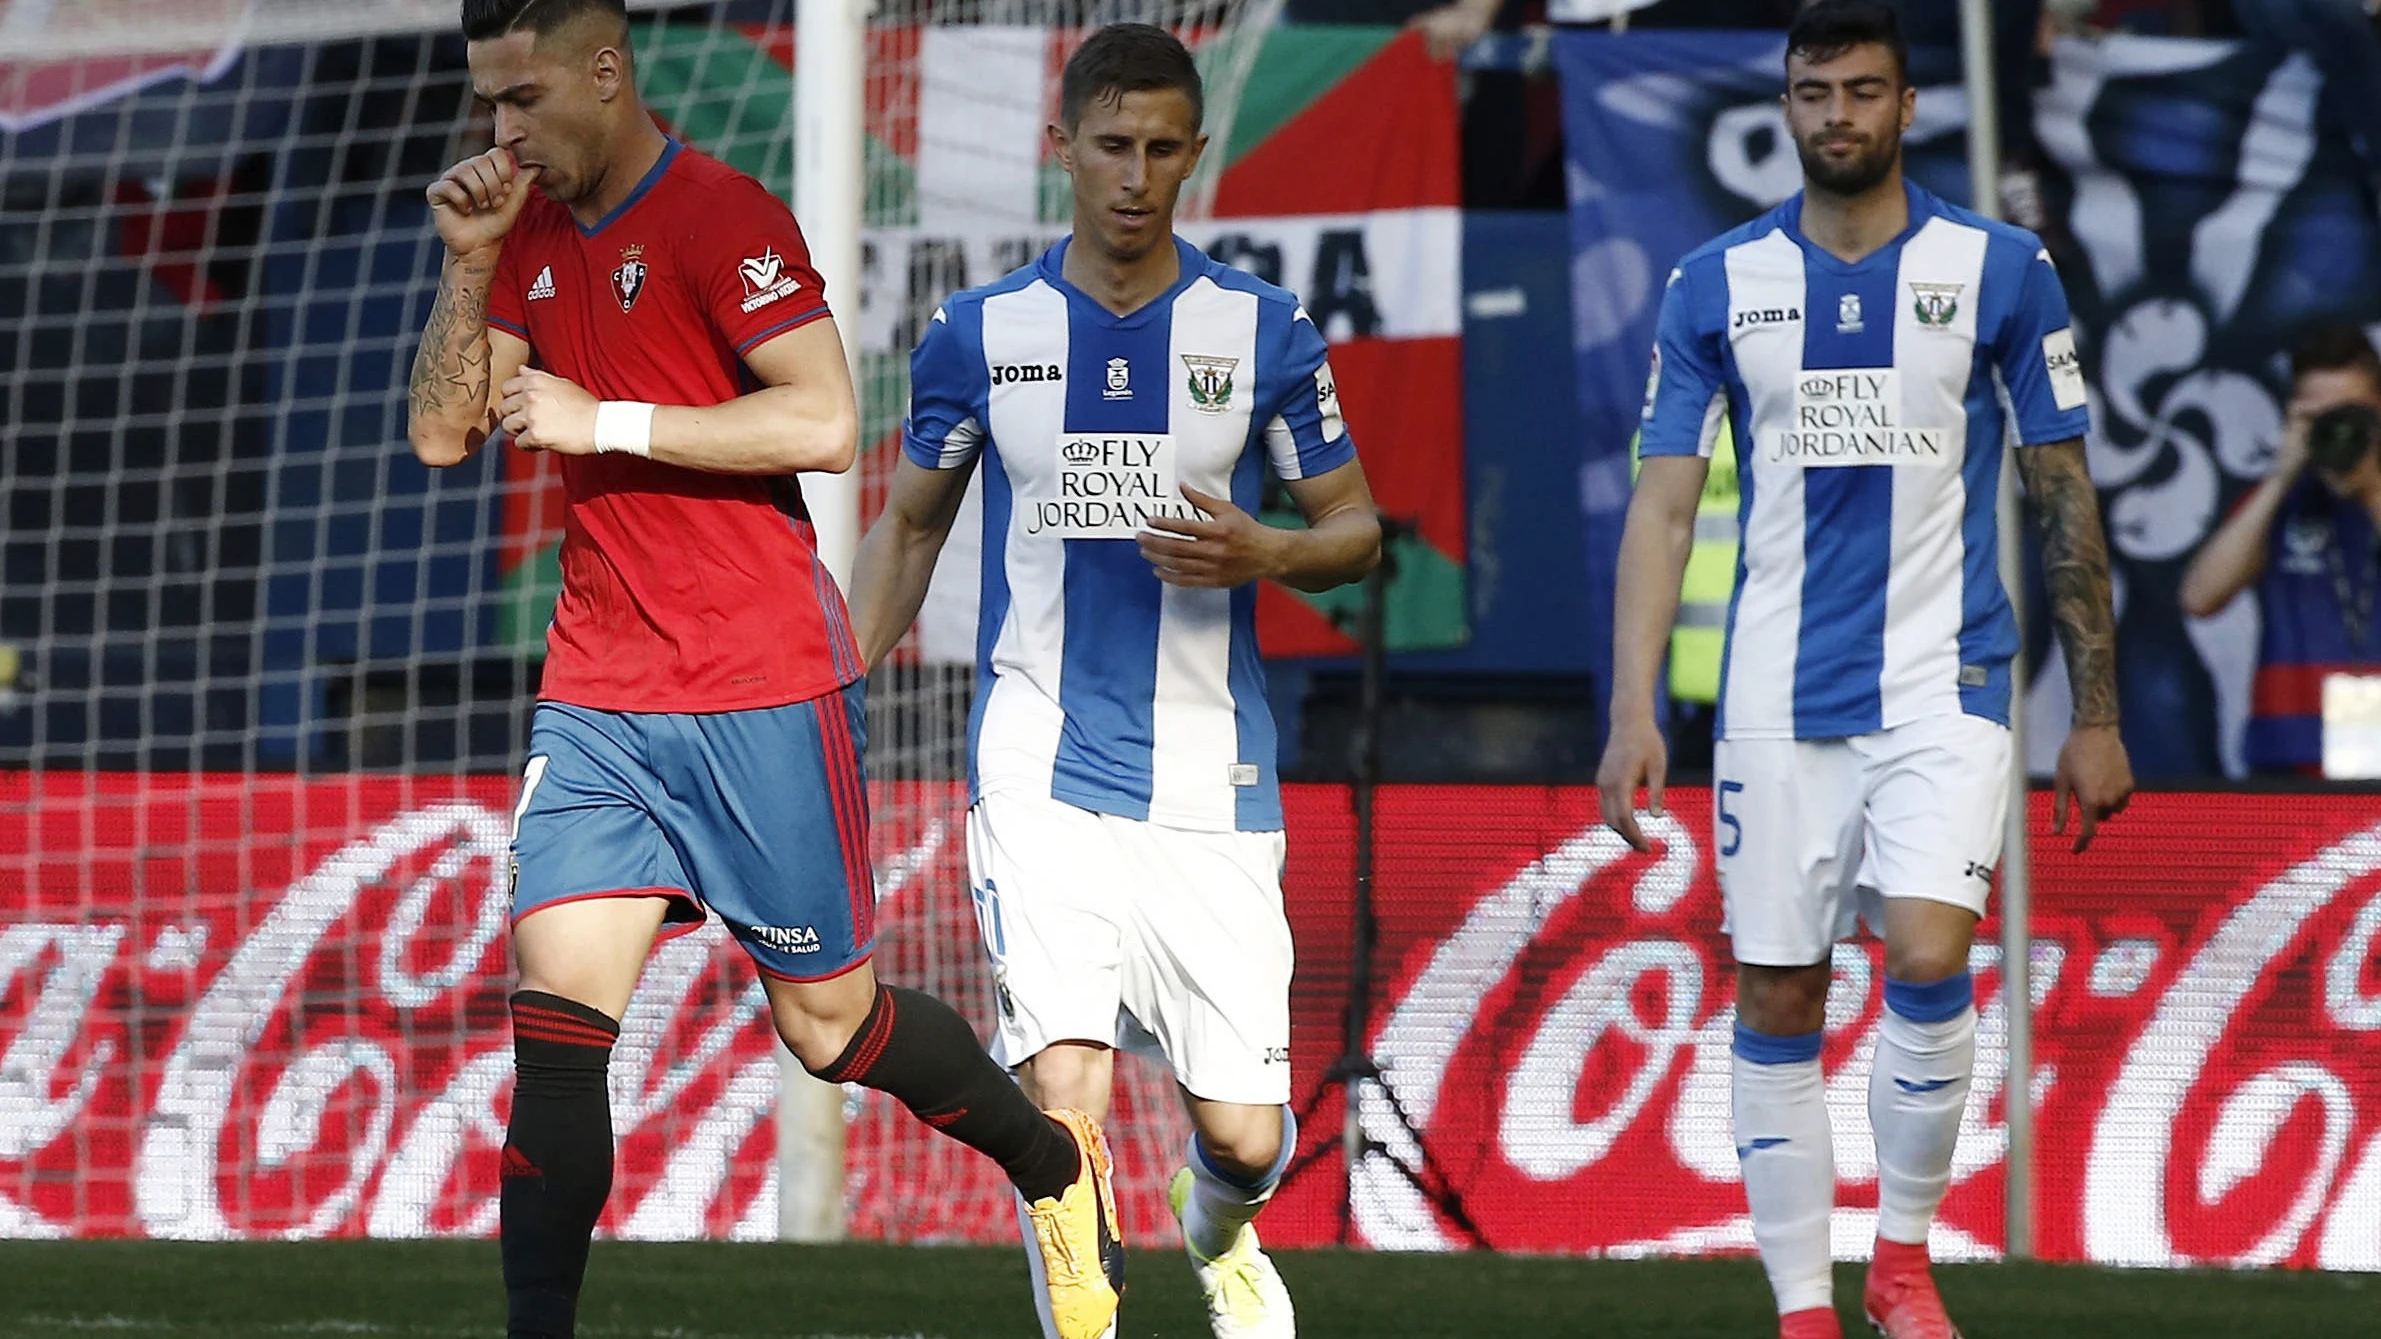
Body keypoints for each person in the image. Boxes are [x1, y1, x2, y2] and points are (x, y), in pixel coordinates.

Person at [403, 3, 1122, 1336]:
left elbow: (827, 416)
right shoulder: (524, 233)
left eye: (523, 98)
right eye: (486, 103)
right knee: (556, 1029)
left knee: (830, 1030)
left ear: (605, 74)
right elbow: (445, 432)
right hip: (601, 688)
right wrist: (464, 263)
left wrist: (601, 415)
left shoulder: (721, 213)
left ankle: (1054, 1163)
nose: (501, 132)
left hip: (757, 678)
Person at [1593, 4, 2134, 1338]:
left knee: (1929, 955)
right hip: (1773, 696)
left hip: (1945, 683)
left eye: (1864, 91)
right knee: (1779, 987)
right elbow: (1663, 506)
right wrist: (1629, 707)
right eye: (1814, 91)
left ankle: (1900, 1262)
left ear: (1907, 105)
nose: (1838, 115)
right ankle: (1802, 1307)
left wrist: (2097, 712)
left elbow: (2059, 486)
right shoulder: (1714, 282)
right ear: (1786, 105)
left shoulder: (2000, 266)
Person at [847, 24, 1382, 1339]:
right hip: (1037, 761)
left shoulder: (1260, 330)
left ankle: (1221, 1221)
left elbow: (1357, 531)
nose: (1135, 176)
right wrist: (822, 696)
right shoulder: (980, 332)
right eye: (1110, 147)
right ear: (1062, 150)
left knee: (1248, 1134)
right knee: (1064, 1094)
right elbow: (909, 526)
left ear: (1196, 155)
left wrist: (1270, 549)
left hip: (1214, 775)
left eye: (1160, 150)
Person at [2181, 321, 2381, 773]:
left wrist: (2369, 490)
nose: (2338, 432)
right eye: (2318, 417)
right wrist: (2280, 477)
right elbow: (2200, 597)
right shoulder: (2279, 504)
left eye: (2350, 415)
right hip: (2290, 757)